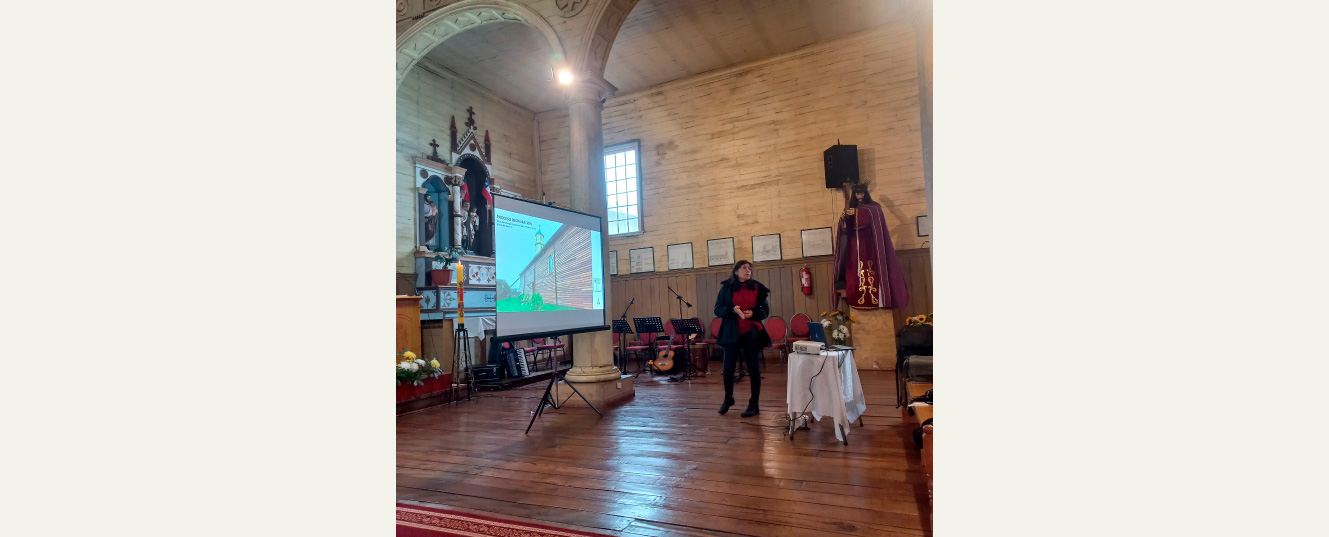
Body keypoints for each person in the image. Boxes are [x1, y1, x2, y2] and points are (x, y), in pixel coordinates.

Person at [832, 182, 909, 311]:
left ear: (865, 193)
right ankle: (856, 292)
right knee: (855, 270)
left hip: (869, 244)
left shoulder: (874, 207)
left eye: (861, 193)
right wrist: (844, 218)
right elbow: (846, 228)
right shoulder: (851, 207)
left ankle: (878, 298)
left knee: (870, 269)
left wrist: (856, 213)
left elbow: (872, 216)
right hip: (854, 243)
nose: (859, 196)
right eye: (857, 193)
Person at [712, 260, 772, 417]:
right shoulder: (727, 287)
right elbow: (717, 309)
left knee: (753, 369)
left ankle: (754, 404)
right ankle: (728, 398)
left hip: (751, 333)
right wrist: (732, 309)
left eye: (749, 268)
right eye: (744, 268)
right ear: (736, 271)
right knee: (727, 369)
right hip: (731, 332)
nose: (748, 270)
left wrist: (754, 313)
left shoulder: (758, 287)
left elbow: (765, 310)